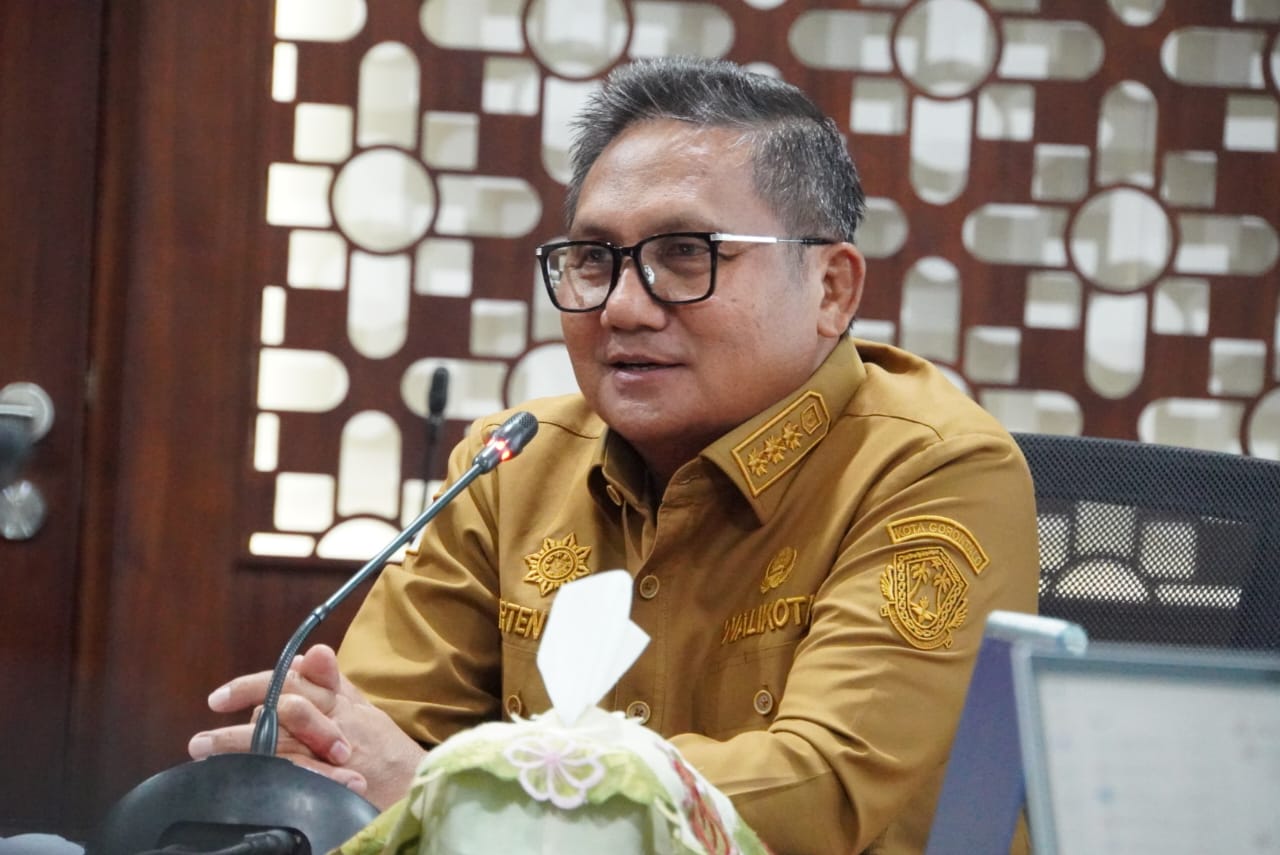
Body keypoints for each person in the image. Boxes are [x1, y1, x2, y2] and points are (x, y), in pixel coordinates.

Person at [189, 56, 1038, 854]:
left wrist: (456, 791)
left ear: (831, 288)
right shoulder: (509, 466)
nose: (624, 307)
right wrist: (332, 753)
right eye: (595, 259)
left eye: (685, 254)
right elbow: (365, 743)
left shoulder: (934, 469)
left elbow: (825, 787)